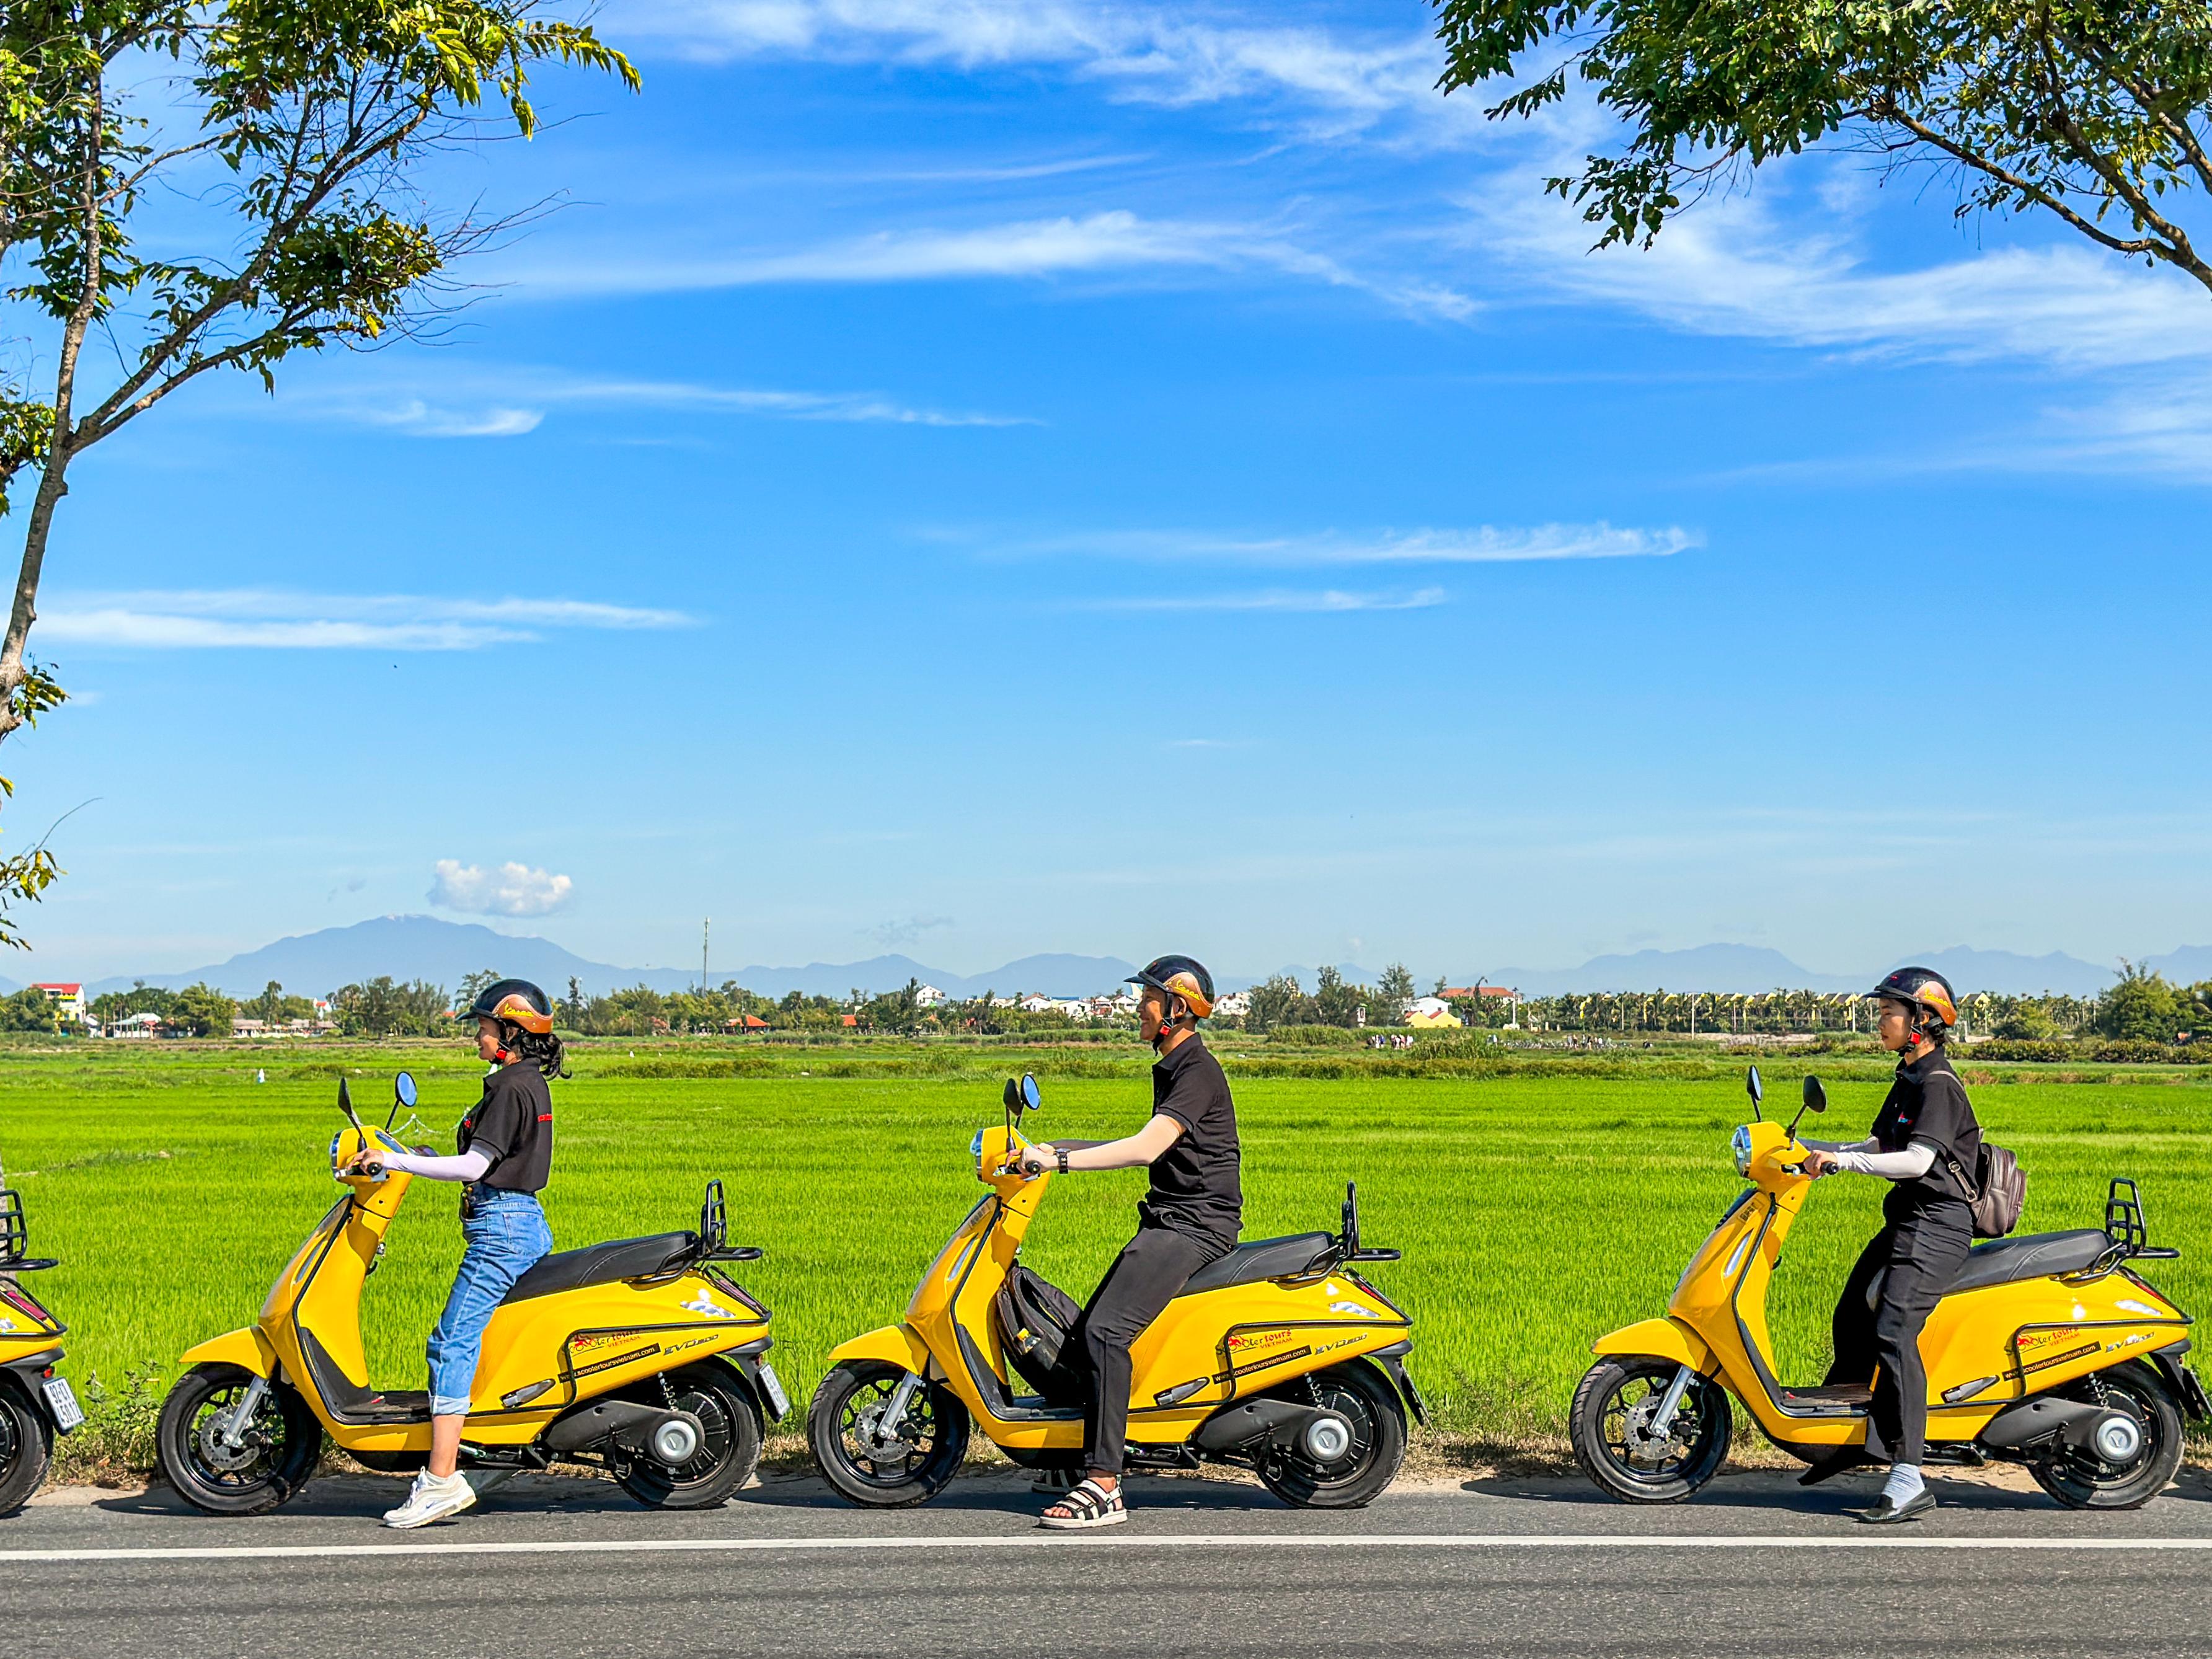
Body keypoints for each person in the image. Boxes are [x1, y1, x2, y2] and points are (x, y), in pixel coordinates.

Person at [1019, 954, 1241, 1529]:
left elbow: (1145, 1148)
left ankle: (1104, 1484)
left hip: (1195, 1224)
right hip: (1172, 1217)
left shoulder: (1197, 1070)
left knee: (1106, 1332)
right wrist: (1045, 1149)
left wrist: (1061, 1161)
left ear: (1176, 1008)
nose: (1135, 1008)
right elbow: (1143, 1139)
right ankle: (1079, 1455)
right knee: (1085, 1333)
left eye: (1146, 999)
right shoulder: (1174, 1065)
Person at [347, 979, 562, 1529]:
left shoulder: (511, 1087)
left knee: (450, 1343)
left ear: (512, 1031)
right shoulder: (524, 1081)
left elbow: (475, 1168)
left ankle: (441, 1480)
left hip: (501, 1232)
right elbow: (485, 1156)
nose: (478, 1038)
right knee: (482, 1342)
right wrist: (418, 1155)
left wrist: (400, 1165)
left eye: (485, 1029)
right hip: (518, 1223)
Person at [1800, 966, 1981, 1524]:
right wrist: (1806, 1147)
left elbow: (1917, 1161)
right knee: (1854, 1312)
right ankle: (1852, 1442)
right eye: (1881, 1013)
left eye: (1889, 1013)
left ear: (1922, 1021)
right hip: (1907, 1220)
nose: (1880, 1022)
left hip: (1937, 1225)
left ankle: (1908, 1475)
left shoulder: (1939, 1085)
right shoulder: (1908, 1078)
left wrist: (1845, 1162)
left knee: (1895, 1330)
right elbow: (1880, 1142)